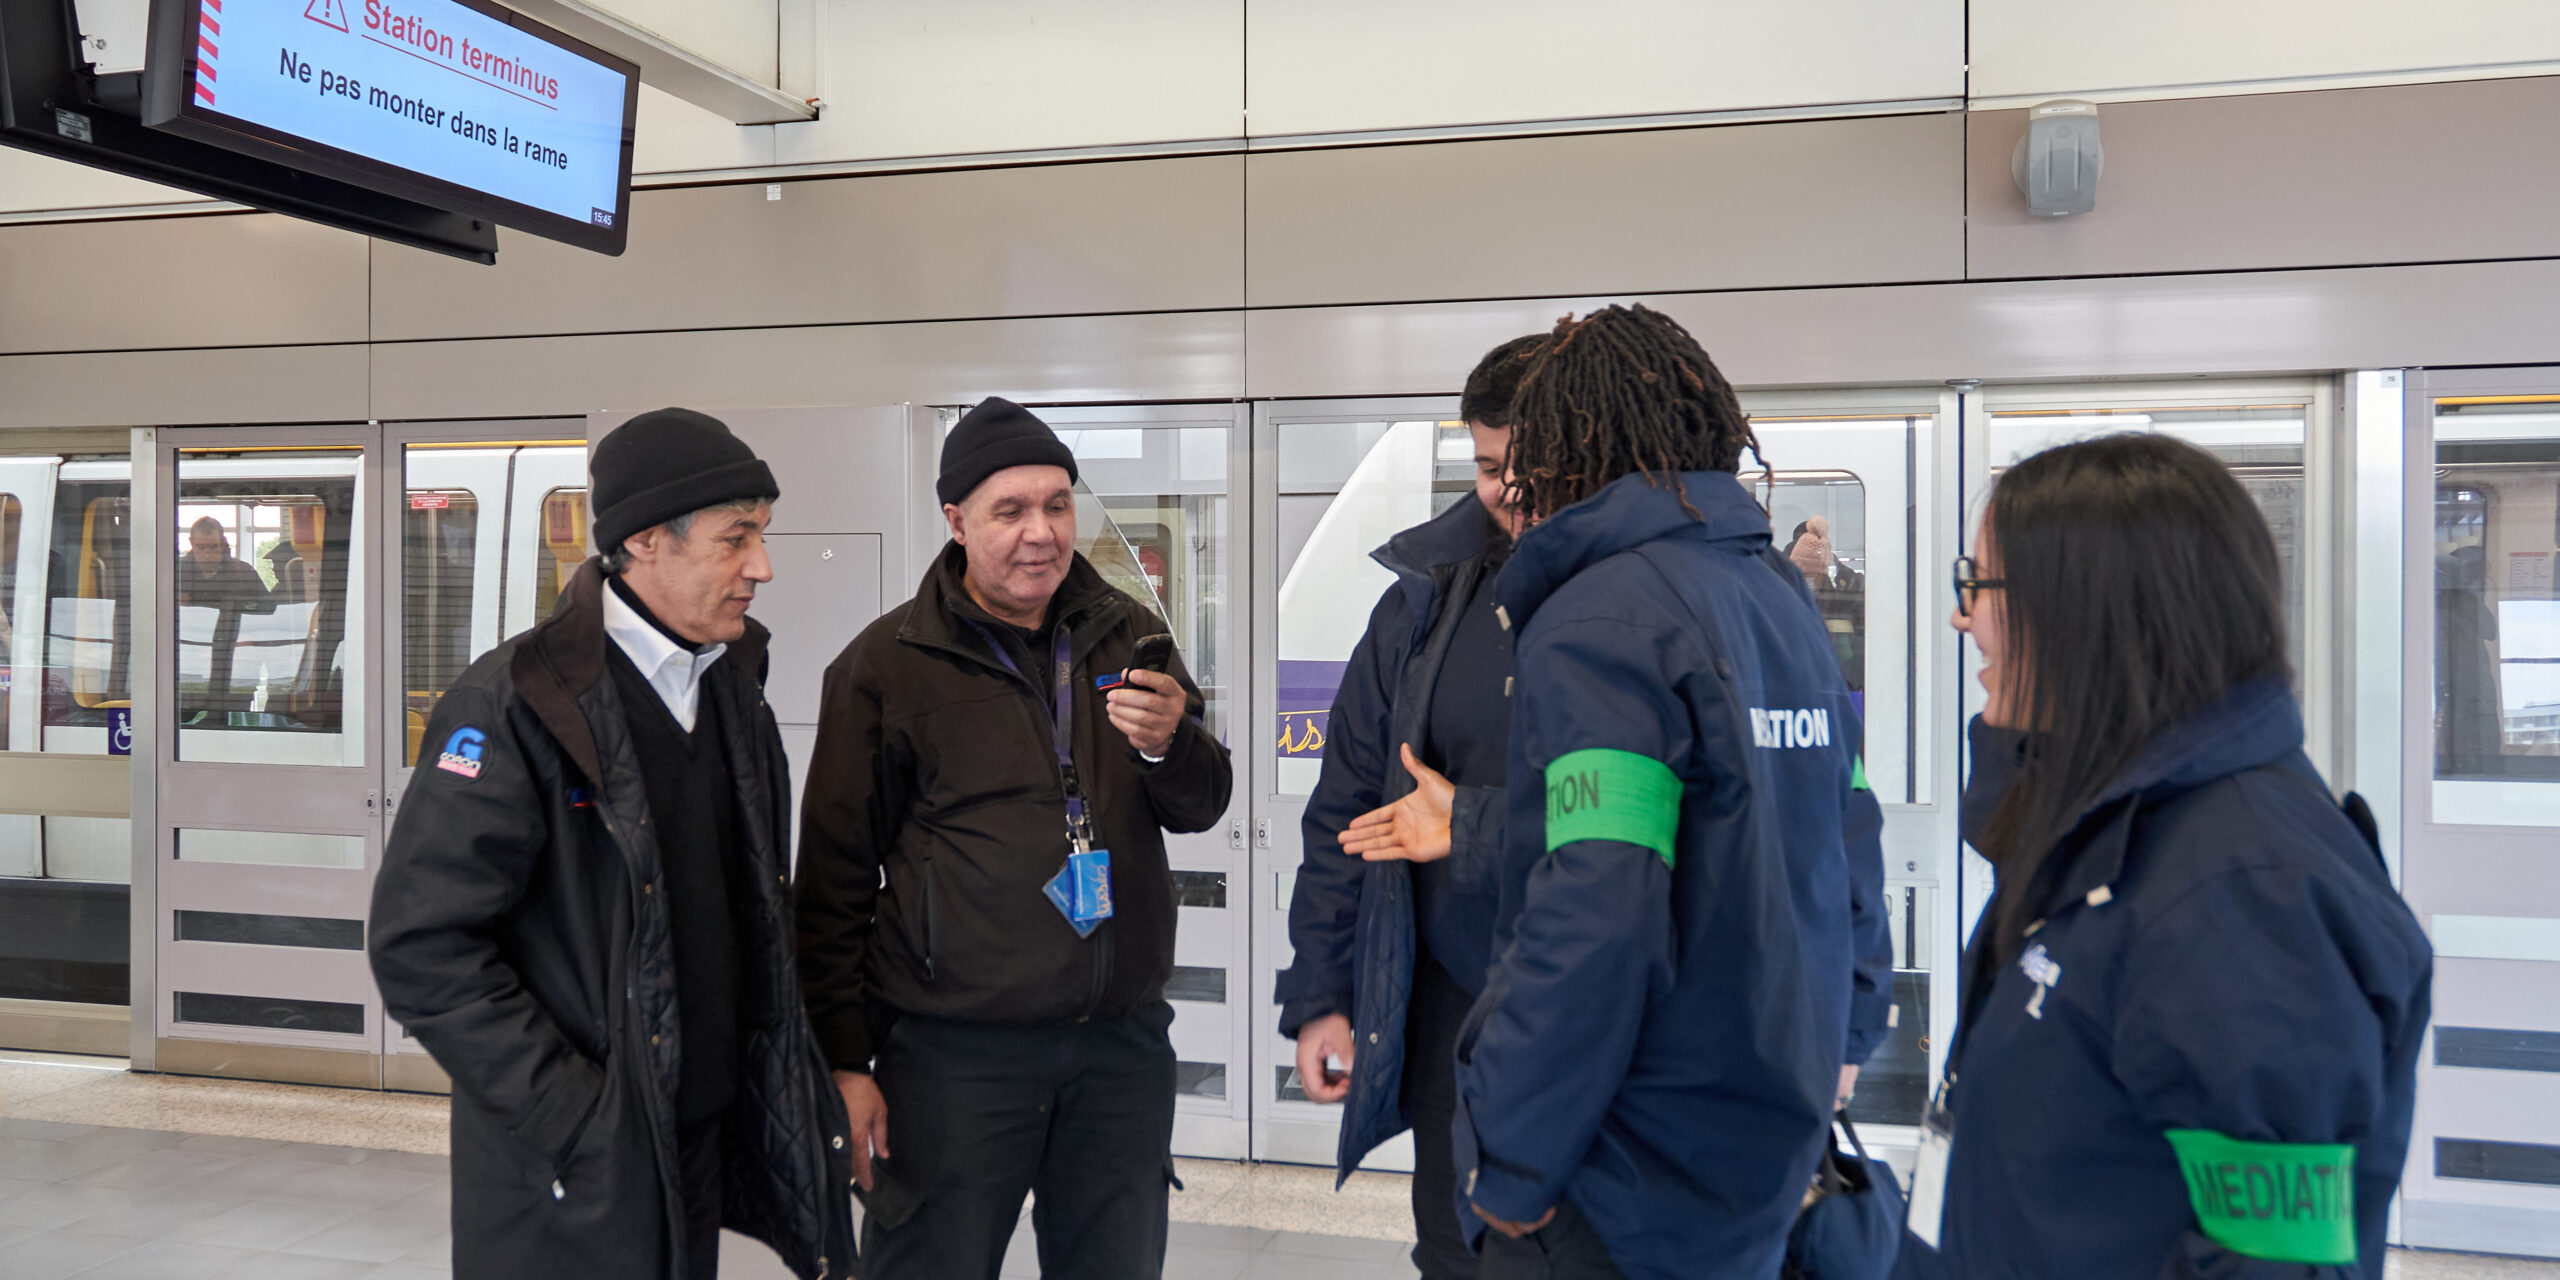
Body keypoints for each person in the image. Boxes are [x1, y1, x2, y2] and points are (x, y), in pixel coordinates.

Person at [1904, 433, 2431, 1279]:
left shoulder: (2248, 895)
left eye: (1980, 586)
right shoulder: (2125, 824)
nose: (1965, 618)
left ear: (2085, 611)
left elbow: (2276, 1264)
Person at [369, 408, 855, 1280]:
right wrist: (575, 1119)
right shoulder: (514, 707)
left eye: (763, 535)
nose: (762, 567)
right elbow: (422, 945)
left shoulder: (731, 692)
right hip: (571, 1167)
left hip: (692, 1138)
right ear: (642, 542)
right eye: (734, 538)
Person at [1454, 304, 1880, 1279]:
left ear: (1564, 445)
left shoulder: (1602, 618)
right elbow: (1848, 831)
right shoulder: (1778, 597)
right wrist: (1845, 1034)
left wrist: (1510, 1159)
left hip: (1624, 1172)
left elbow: (1596, 908)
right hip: (1760, 1140)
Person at [794, 397, 1235, 1279]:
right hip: (956, 1063)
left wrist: (1167, 744)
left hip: (1118, 1050)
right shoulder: (884, 669)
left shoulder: (1129, 633)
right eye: (1011, 510)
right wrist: (844, 1062)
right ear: (955, 521)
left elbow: (1202, 802)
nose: (1042, 532)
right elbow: (833, 888)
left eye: (1058, 504)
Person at [1275, 333, 1540, 1279]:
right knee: (1456, 1255)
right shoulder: (1423, 606)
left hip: (1590, 1005)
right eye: (1486, 466)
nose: (1507, 490)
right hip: (1451, 1017)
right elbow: (1349, 807)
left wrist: (1468, 821)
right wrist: (1321, 995)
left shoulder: (1635, 602)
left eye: (1527, 466)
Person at [177, 516, 276, 715]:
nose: (207, 554)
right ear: (191, 544)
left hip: (236, 660)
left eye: (213, 547)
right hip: (189, 661)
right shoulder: (174, 574)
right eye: (201, 548)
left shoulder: (242, 573)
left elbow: (268, 609)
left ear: (222, 543)